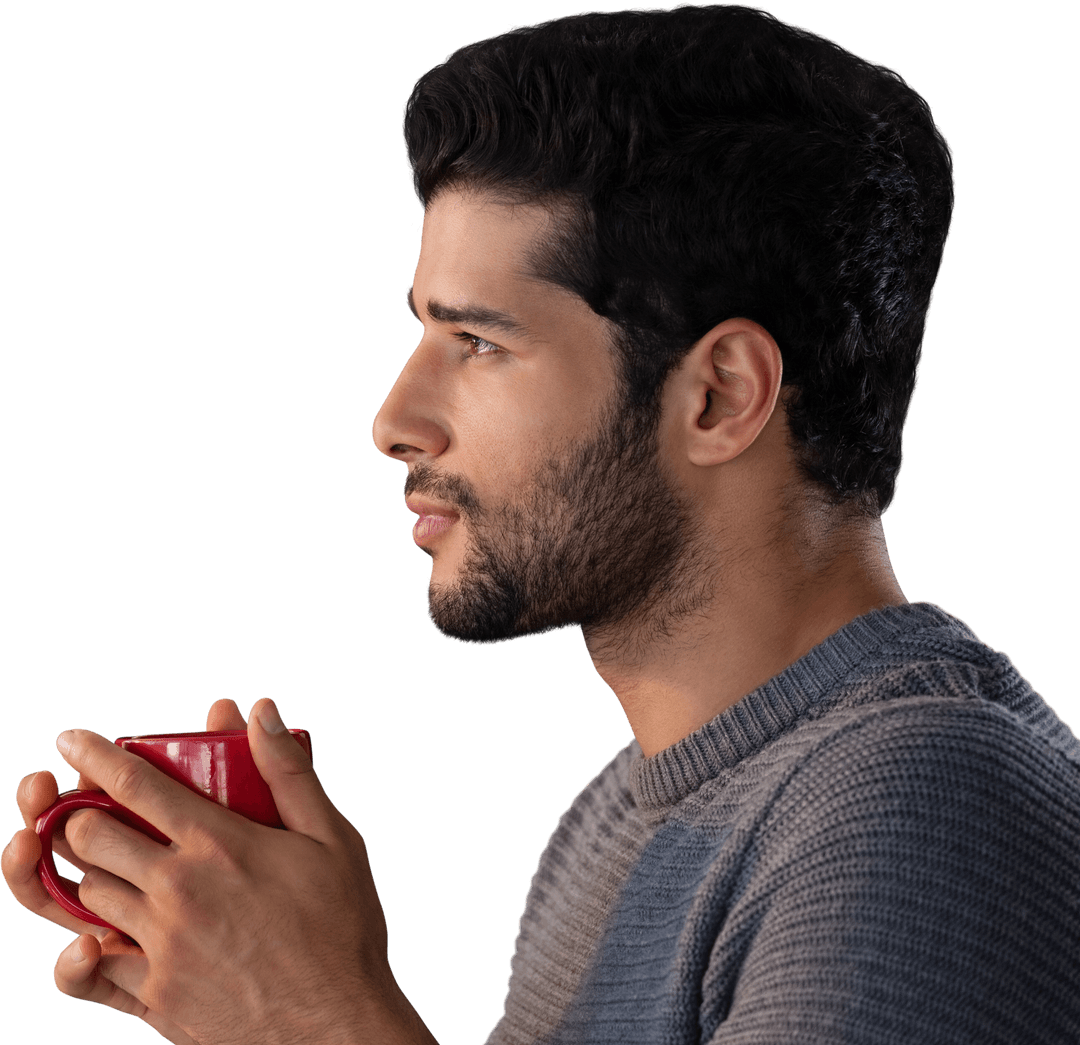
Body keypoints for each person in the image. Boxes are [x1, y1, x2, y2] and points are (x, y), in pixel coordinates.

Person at [4, 4, 1079, 1043]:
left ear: (719, 395)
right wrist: (246, 1005)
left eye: (478, 343)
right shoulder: (614, 819)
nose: (394, 420)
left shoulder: (925, 810)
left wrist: (318, 1020)